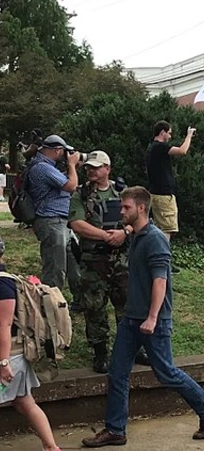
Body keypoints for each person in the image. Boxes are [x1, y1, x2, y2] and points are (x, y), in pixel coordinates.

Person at [82, 186, 204, 448]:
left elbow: (160, 280)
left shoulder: (155, 239)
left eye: (126, 207)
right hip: (131, 319)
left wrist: (153, 317)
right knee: (117, 373)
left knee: (166, 373)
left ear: (141, 208)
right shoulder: (138, 234)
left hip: (151, 321)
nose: (121, 211)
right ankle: (115, 430)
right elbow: (132, 234)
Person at [69, 151, 148, 373]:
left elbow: (139, 217)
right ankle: (100, 353)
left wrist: (126, 232)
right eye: (89, 168)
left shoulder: (122, 191)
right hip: (94, 261)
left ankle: (134, 349)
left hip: (121, 261)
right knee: (94, 308)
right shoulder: (81, 195)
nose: (91, 171)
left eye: (96, 167)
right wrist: (106, 236)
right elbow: (77, 224)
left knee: (128, 305)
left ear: (107, 169)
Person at [0, 236, 62, 451]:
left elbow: (5, 326)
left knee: (24, 401)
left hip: (10, 356)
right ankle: (51, 447)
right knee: (23, 401)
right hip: (11, 355)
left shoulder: (2, 285)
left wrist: (3, 362)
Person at [27, 135, 80, 290]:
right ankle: (51, 305)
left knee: (74, 261)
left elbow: (62, 181)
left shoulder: (46, 166)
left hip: (61, 221)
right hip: (51, 221)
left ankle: (80, 302)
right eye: (65, 152)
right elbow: (71, 186)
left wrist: (73, 168)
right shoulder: (41, 167)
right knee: (55, 268)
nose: (66, 155)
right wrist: (72, 165)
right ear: (57, 150)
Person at [146, 121, 195, 243]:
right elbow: (182, 151)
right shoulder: (159, 147)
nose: (170, 136)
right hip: (163, 195)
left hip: (157, 194)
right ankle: (162, 257)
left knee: (160, 228)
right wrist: (189, 135)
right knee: (166, 230)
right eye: (169, 133)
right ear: (162, 132)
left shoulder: (152, 148)